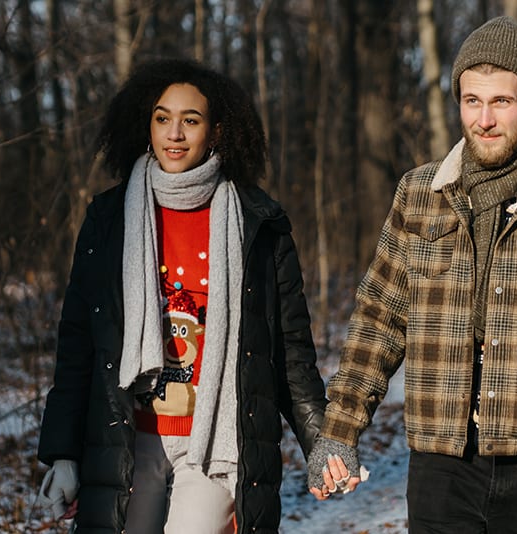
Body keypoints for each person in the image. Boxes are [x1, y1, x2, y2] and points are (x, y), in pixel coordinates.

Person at [307, 15, 517, 533]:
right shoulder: (420, 194)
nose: (484, 119)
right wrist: (340, 431)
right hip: (440, 463)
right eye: (472, 101)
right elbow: (378, 321)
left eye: (501, 102)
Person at [36, 58, 327, 533]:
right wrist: (63, 454)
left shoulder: (259, 223)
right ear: (145, 124)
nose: (174, 133)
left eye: (190, 120)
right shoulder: (109, 220)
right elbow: (78, 346)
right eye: (162, 118)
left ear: (216, 132)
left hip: (217, 441)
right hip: (129, 436)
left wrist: (322, 442)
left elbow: (289, 350)